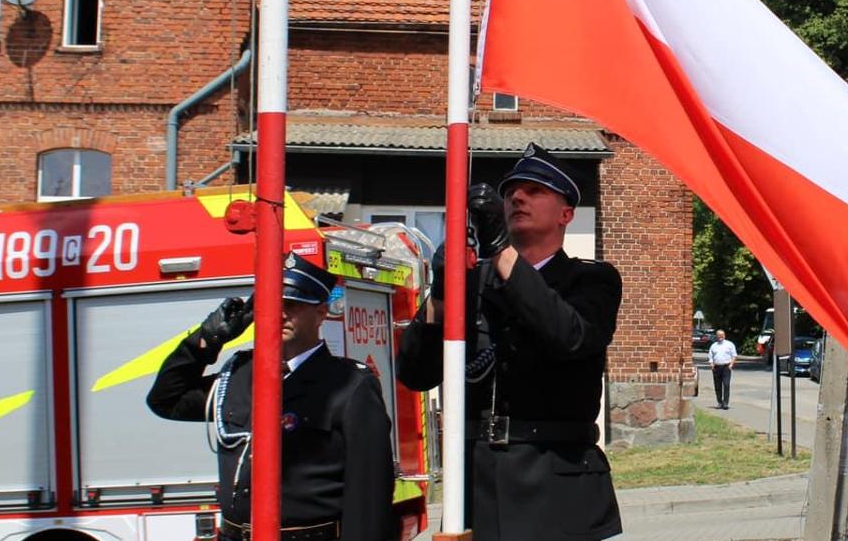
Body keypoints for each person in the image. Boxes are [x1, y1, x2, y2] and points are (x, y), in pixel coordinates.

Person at [398, 143, 623, 541]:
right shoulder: (477, 281)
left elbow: (570, 336)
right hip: (479, 482)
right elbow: (417, 373)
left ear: (566, 214)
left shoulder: (591, 280)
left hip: (555, 481)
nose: (517, 197)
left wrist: (501, 251)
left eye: (535, 191)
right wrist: (439, 295)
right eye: (510, 193)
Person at [147, 251, 395, 541]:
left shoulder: (349, 385)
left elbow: (368, 495)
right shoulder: (240, 375)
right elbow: (166, 400)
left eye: (292, 305)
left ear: (320, 313)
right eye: (271, 305)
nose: (280, 314)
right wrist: (205, 341)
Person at [706, 329, 737, 409]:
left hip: (726, 367)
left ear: (724, 336)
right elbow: (710, 356)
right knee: (717, 386)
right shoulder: (714, 345)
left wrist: (731, 364)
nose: (720, 337)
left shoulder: (729, 344)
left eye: (722, 335)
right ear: (716, 336)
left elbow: (734, 355)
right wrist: (711, 364)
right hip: (716, 367)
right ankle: (719, 402)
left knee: (726, 385)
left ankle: (726, 403)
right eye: (719, 335)